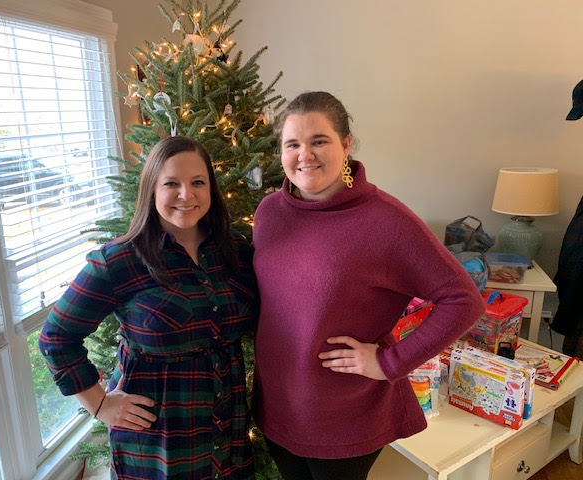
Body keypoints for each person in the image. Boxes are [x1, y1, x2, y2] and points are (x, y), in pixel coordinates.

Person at [251, 91, 485, 480]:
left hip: (346, 417)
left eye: (319, 141)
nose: (304, 155)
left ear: (346, 145)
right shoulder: (270, 213)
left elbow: (464, 300)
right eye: (292, 144)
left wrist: (390, 362)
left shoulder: (386, 221)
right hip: (278, 407)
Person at [39, 136, 258, 480]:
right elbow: (56, 337)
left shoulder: (235, 250)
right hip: (157, 443)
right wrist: (100, 404)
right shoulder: (119, 260)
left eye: (198, 182)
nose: (187, 194)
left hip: (227, 435)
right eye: (171, 184)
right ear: (152, 189)